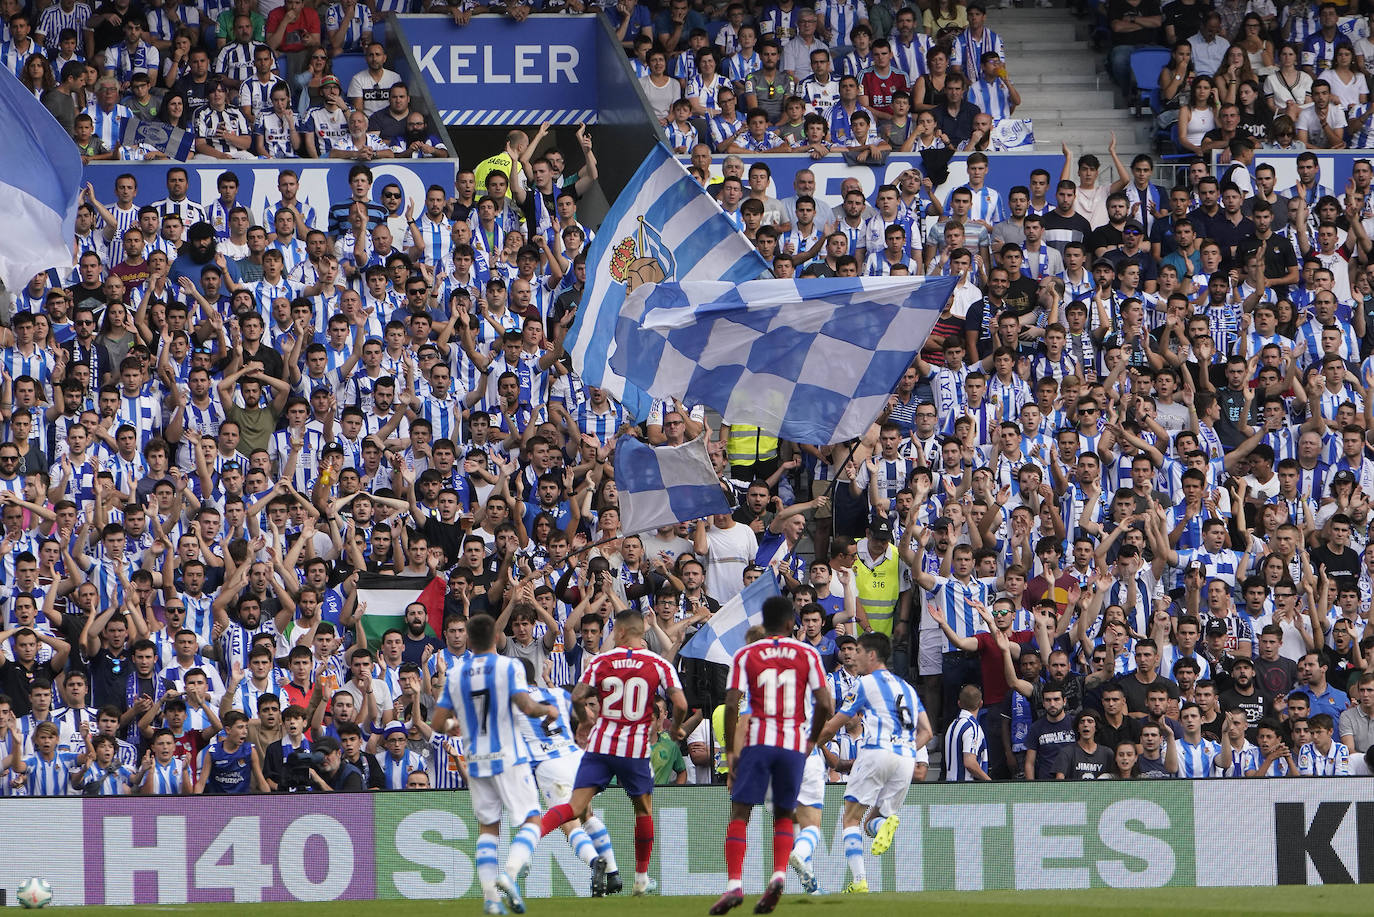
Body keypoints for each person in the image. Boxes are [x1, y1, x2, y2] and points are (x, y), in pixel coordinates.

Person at [539, 610, 688, 898]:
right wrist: (678, 728)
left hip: (602, 746)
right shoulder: (658, 663)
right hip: (634, 749)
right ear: (640, 632)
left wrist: (586, 718)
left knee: (574, 807)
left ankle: (526, 842)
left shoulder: (601, 661)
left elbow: (578, 696)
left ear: (619, 632)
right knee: (643, 810)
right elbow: (680, 703)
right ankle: (641, 878)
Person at [710, 596, 831, 915]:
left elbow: (733, 700)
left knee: (740, 814)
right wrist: (810, 740)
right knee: (784, 814)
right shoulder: (807, 653)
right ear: (792, 624)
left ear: (763, 624)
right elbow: (825, 704)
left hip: (758, 742)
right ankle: (779, 875)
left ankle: (735, 884)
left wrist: (732, 751)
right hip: (794, 744)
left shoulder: (746, 654)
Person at [431, 614, 557, 914]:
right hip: (508, 755)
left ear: (470, 640)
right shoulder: (509, 665)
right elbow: (525, 705)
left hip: (476, 759)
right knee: (532, 819)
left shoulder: (456, 672)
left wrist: (452, 724)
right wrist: (547, 708)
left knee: (488, 830)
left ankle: (490, 899)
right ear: (495, 638)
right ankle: (509, 874)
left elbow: (437, 722)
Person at [814, 632, 932, 894]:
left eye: (857, 651)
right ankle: (882, 824)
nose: (853, 656)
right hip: (904, 758)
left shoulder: (865, 683)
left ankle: (859, 882)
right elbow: (928, 732)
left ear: (871, 655)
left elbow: (834, 725)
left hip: (876, 752)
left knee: (850, 820)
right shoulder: (908, 688)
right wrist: (905, 749)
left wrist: (807, 744)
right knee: (870, 825)